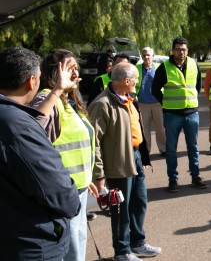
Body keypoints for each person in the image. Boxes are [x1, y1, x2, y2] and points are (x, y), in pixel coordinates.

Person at [0, 47, 80, 260]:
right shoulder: (16, 124)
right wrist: (73, 202)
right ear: (31, 81)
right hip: (29, 242)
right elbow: (54, 187)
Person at [88, 63, 161, 261]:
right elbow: (93, 141)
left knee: (139, 203)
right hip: (118, 165)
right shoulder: (101, 104)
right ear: (127, 81)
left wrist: (143, 157)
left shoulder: (129, 99)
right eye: (136, 79)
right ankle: (122, 252)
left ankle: (138, 243)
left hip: (135, 158)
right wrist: (99, 174)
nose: (137, 82)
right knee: (121, 211)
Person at [31, 49, 97, 261]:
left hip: (77, 188)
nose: (77, 74)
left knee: (77, 247)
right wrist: (57, 90)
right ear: (54, 73)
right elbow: (32, 130)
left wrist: (87, 179)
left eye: (77, 69)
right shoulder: (47, 98)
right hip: (61, 190)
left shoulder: (70, 101)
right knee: (70, 251)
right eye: (70, 70)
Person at [151, 37, 207, 193]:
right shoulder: (164, 67)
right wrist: (166, 103)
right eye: (178, 49)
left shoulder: (194, 64)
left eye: (183, 49)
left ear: (187, 50)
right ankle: (173, 180)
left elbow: (197, 86)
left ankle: (195, 177)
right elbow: (155, 90)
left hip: (191, 113)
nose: (181, 52)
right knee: (171, 148)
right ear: (173, 50)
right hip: (172, 115)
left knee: (193, 147)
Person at [136, 47, 166, 157]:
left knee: (161, 128)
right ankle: (146, 150)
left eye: (148, 55)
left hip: (157, 103)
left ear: (153, 56)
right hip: (143, 103)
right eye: (144, 55)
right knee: (144, 129)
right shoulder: (137, 68)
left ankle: (163, 149)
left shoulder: (159, 68)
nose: (146, 57)